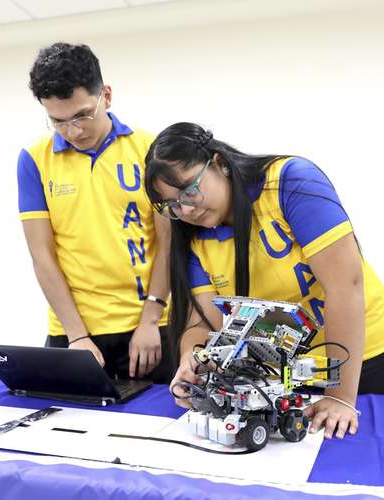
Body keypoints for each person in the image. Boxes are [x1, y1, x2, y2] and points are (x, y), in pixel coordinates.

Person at [144, 121, 384, 438]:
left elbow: (345, 286)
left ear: (218, 163)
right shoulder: (193, 238)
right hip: (284, 378)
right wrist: (194, 362)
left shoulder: (289, 183)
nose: (186, 209)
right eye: (172, 205)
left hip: (364, 362)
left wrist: (339, 397)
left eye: (189, 190)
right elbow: (202, 322)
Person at [17, 43, 174, 383]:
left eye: (82, 115)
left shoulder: (151, 150)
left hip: (147, 329)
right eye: (58, 121)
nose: (74, 131)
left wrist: (150, 318)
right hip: (73, 333)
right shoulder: (33, 160)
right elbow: (41, 254)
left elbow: (168, 242)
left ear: (106, 95)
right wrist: (76, 335)